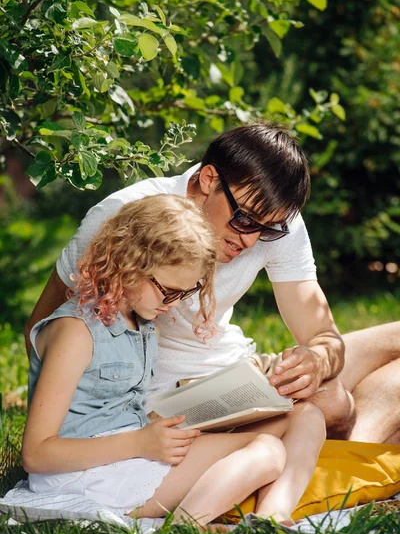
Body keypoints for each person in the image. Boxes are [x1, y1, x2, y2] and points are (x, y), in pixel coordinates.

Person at [24, 123, 400, 444]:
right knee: (333, 403)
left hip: (236, 372)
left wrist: (317, 359)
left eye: (267, 230)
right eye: (246, 220)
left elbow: (322, 331)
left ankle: (350, 443)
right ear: (209, 179)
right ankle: (355, 451)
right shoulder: (126, 217)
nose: (251, 240)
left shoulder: (273, 222)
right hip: (157, 402)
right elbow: (41, 332)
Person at [22, 194, 326, 528]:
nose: (172, 305)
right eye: (168, 291)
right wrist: (140, 442)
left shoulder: (141, 322)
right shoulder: (75, 332)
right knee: (266, 451)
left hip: (132, 451)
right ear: (128, 262)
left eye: (183, 294)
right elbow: (36, 454)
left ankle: (272, 518)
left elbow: (120, 408)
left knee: (305, 416)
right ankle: (185, 528)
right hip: (83, 476)